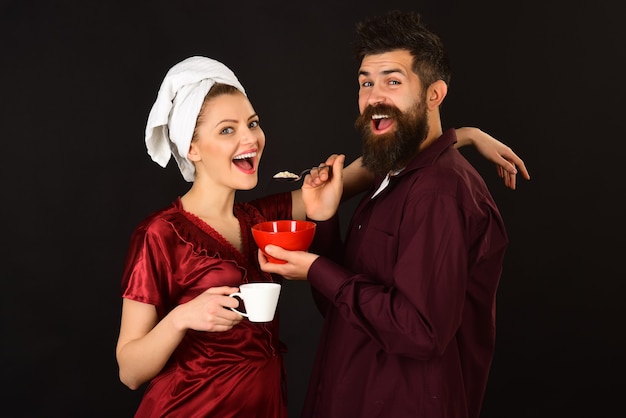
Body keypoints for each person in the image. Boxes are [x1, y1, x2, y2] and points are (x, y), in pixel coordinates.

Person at [115, 55, 527, 417]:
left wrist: (464, 135)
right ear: (192, 148)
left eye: (253, 123)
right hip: (190, 409)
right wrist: (183, 318)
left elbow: (377, 165)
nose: (250, 139)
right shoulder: (160, 233)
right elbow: (130, 370)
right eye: (227, 130)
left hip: (265, 407)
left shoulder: (261, 219)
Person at [258, 10, 524, 418]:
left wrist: (313, 268)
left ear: (434, 95)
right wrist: (325, 219)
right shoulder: (394, 177)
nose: (374, 97)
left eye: (393, 81)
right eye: (366, 83)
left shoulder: (438, 193)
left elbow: (419, 332)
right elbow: (343, 308)